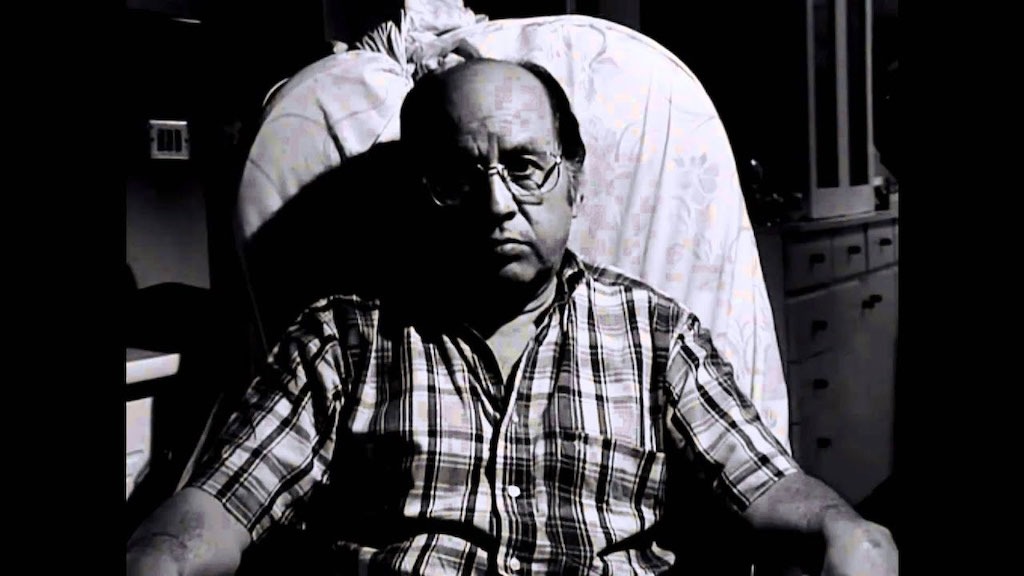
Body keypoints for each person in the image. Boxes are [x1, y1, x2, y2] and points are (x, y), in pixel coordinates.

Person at [126, 58, 898, 576]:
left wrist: (848, 533)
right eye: (458, 177)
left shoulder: (656, 336)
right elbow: (217, 506)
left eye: (525, 167)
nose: (497, 204)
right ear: (418, 197)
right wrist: (160, 553)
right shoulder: (341, 341)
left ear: (575, 181)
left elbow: (771, 490)